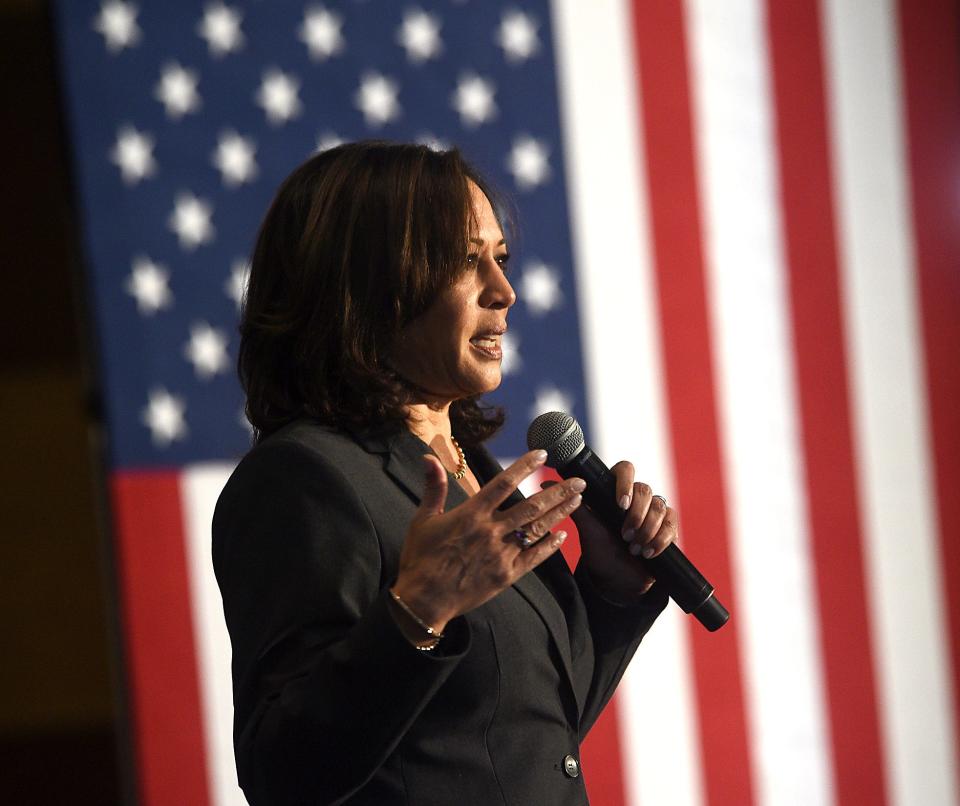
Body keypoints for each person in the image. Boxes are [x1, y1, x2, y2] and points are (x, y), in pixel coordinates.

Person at [213, 141, 679, 806]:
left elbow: (517, 739)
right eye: (466, 262)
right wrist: (419, 610)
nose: (505, 292)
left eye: (501, 258)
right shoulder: (305, 479)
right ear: (367, 284)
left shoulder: (470, 469)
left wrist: (610, 591)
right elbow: (281, 772)